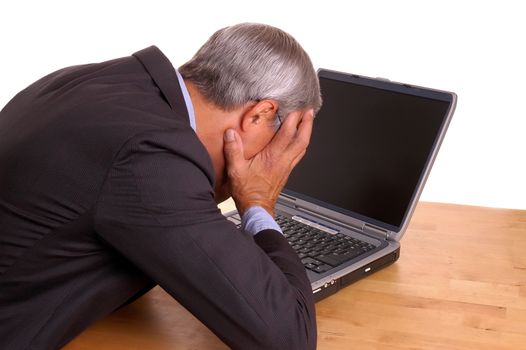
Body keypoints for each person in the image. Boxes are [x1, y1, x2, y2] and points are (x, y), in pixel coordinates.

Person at [0, 23, 322, 349]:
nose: (274, 164)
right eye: (281, 145)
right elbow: (289, 340)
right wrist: (257, 201)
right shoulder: (153, 156)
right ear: (258, 115)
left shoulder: (94, 80)